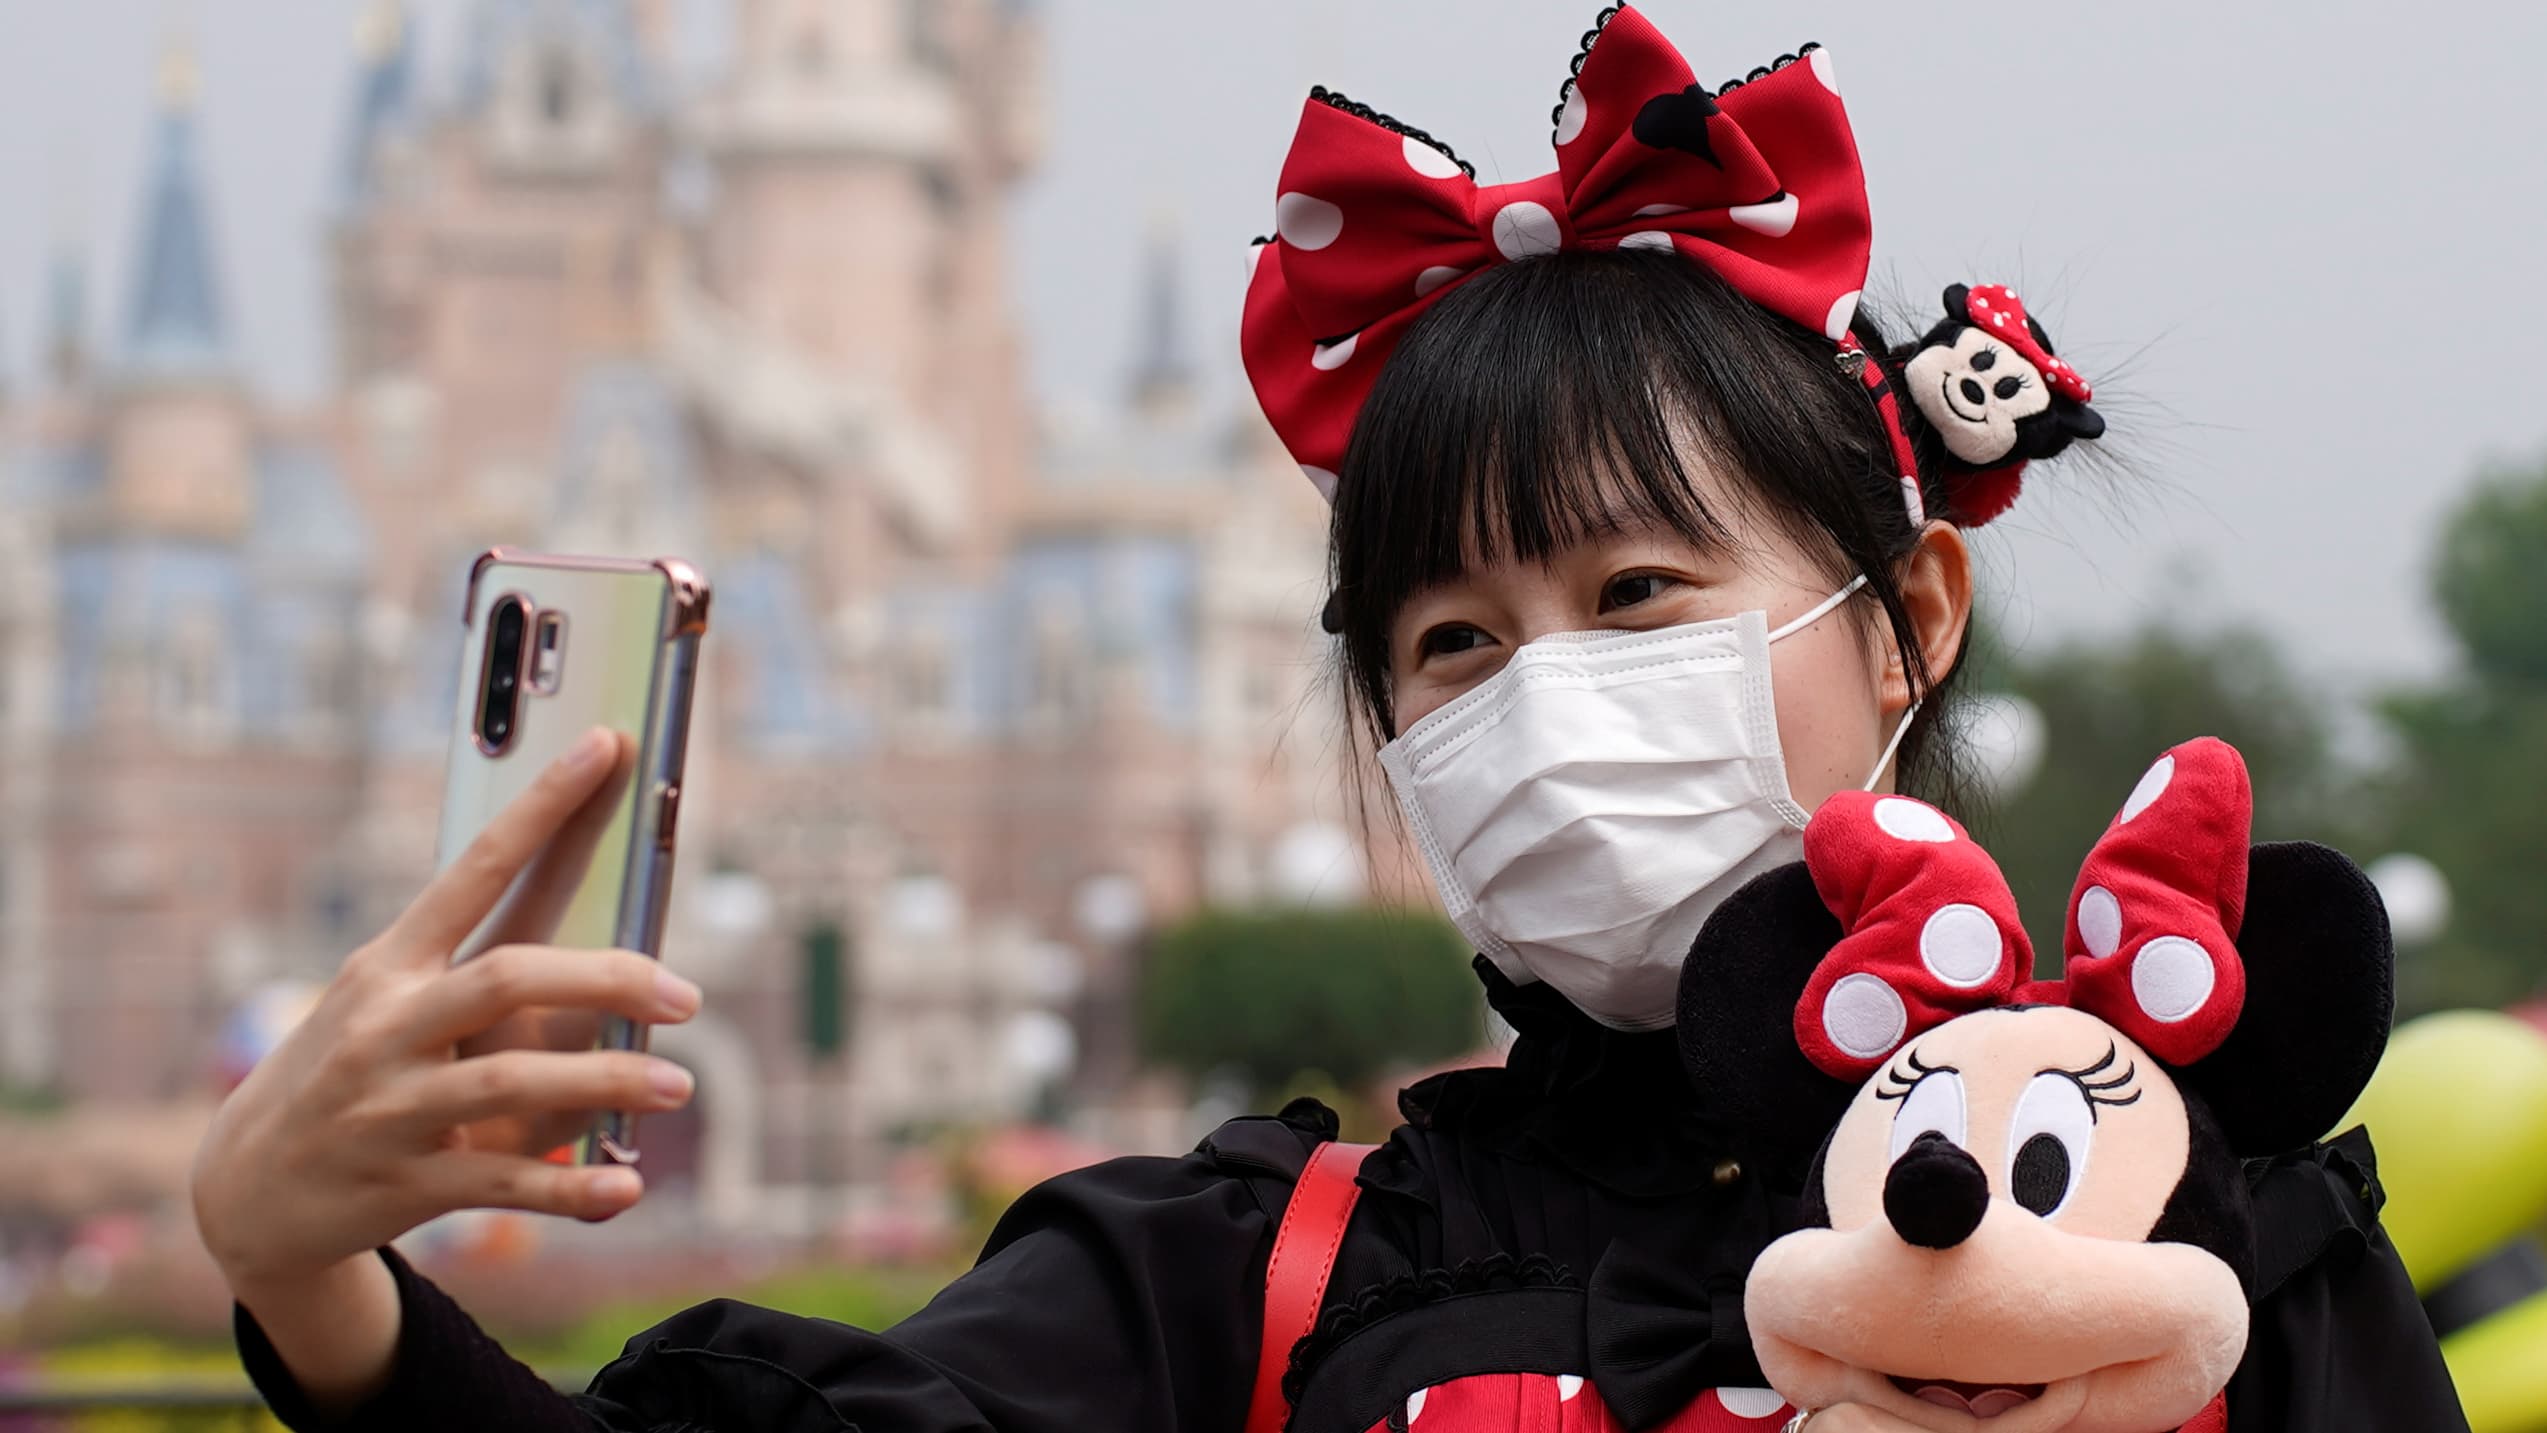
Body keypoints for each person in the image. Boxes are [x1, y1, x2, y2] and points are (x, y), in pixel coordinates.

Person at [193, 8, 2467, 1431]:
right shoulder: (1240, 1281)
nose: (1546, 694)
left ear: (1909, 618)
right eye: (1450, 647)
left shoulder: (2201, 1230)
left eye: (1636, 593)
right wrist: (304, 1267)